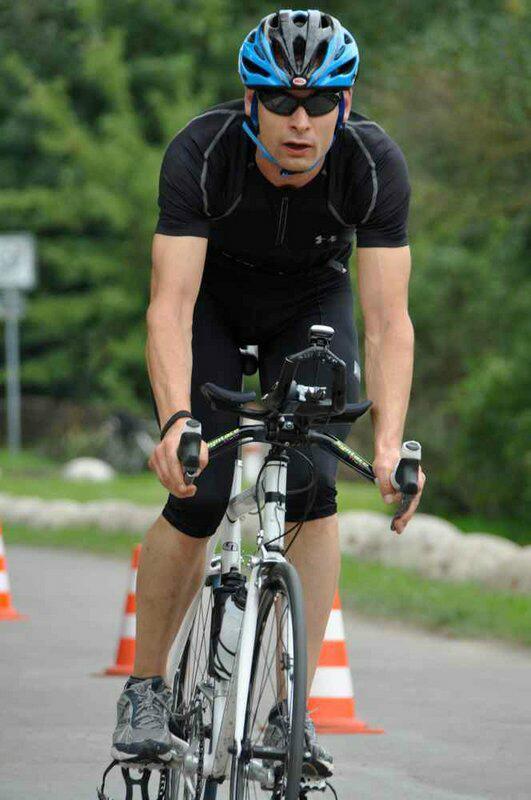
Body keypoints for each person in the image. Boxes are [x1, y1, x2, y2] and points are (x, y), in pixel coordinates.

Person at [111, 8, 426, 780]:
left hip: (309, 305)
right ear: (250, 100)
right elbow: (169, 307)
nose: (300, 121)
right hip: (212, 303)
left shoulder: (372, 163)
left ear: (343, 104)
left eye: (319, 102)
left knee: (315, 486)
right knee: (201, 488)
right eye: (281, 101)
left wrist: (389, 444)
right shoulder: (202, 151)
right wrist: (176, 420)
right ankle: (146, 688)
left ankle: (292, 712)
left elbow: (387, 321)